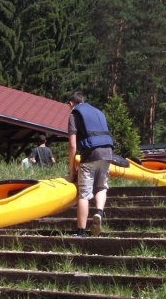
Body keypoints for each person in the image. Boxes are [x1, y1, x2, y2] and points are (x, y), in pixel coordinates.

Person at [67, 91, 114, 237]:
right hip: (107, 153)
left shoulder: (74, 114)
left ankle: (81, 231)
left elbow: (72, 145)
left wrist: (72, 170)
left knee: (84, 194)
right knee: (101, 187)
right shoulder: (98, 112)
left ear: (71, 104)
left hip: (90, 154)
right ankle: (99, 212)